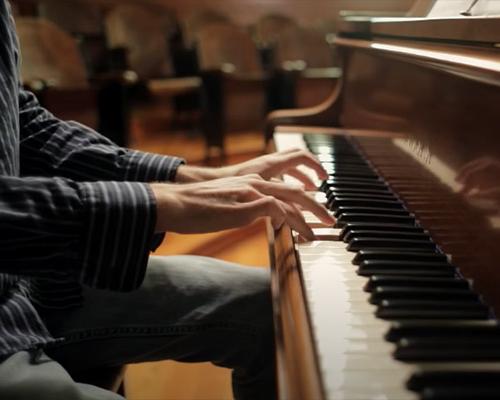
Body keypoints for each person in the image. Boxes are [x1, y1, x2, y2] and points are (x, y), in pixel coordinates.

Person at [0, 2, 334, 399]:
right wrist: (154, 204)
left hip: (27, 282)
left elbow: (22, 124)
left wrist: (189, 176)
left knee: (282, 312)